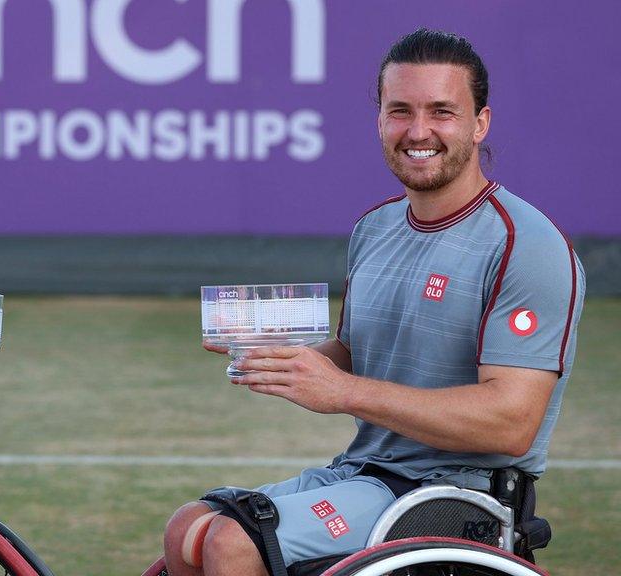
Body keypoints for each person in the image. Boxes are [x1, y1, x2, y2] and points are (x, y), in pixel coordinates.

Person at [162, 28, 585, 576]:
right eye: (400, 110)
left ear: (481, 123)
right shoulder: (375, 228)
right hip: (368, 472)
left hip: (455, 496)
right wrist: (275, 356)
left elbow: (510, 424)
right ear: (380, 120)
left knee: (230, 544)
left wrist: (342, 391)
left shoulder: (526, 246)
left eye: (442, 112)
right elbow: (354, 356)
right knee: (187, 531)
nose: (418, 131)